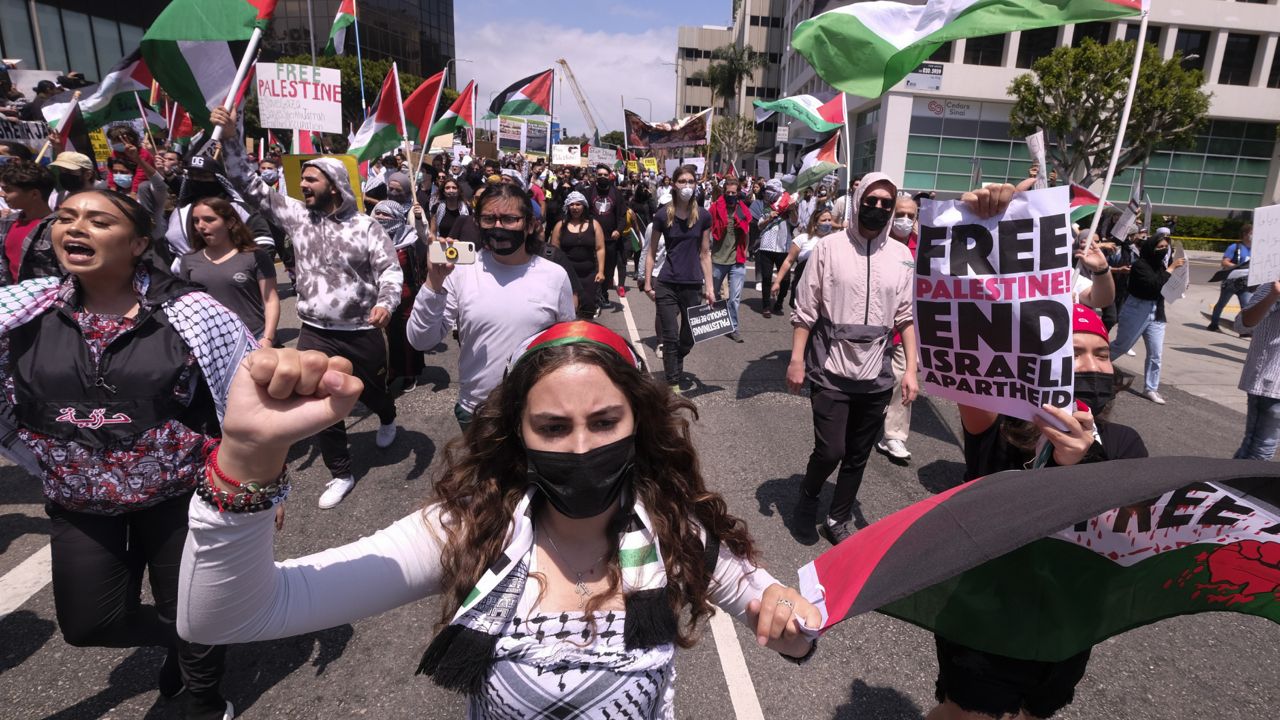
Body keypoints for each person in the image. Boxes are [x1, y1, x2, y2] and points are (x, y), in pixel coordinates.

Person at [178, 321, 820, 717]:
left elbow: (774, 608)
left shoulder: (676, 531)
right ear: (516, 436)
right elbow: (224, 616)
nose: (580, 448)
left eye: (604, 423)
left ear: (639, 426)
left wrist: (792, 626)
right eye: (551, 427)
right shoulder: (468, 529)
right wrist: (248, 456)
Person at [0, 189, 249, 720]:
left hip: (179, 494)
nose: (75, 228)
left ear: (138, 243)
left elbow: (243, 396)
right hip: (78, 501)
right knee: (90, 625)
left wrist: (256, 484)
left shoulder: (190, 312)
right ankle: (188, 640)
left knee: (187, 606)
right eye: (66, 217)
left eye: (97, 220)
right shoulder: (24, 310)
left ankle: (202, 697)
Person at [932, 304, 1147, 720]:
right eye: (1074, 353)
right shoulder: (1003, 425)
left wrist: (1087, 461)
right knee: (966, 713)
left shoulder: (1124, 443)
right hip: (987, 619)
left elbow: (1132, 533)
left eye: (1101, 354)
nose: (1090, 365)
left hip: (1067, 628)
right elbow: (967, 367)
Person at [211, 105, 403, 509]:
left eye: (311, 179)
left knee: (372, 392)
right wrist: (231, 136)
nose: (303, 186)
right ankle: (341, 472)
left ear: (334, 184)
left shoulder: (366, 227)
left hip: (362, 332)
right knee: (321, 401)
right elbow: (248, 182)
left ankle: (387, 416)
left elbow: (390, 272)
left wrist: (386, 303)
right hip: (315, 331)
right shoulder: (298, 218)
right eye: (302, 180)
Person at [787, 172, 927, 545]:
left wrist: (911, 370)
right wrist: (796, 359)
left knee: (858, 453)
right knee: (831, 449)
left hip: (876, 372)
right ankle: (808, 497)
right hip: (830, 368)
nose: (879, 209)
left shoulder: (901, 256)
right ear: (859, 199)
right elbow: (805, 309)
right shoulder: (829, 248)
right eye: (872, 200)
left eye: (887, 204)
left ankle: (837, 517)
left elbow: (906, 318)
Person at [407, 182, 575, 429]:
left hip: (535, 409)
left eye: (509, 219)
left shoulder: (554, 276)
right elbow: (421, 340)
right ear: (477, 223)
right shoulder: (461, 271)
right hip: (476, 409)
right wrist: (434, 281)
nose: (498, 226)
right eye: (489, 219)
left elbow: (566, 347)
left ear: (529, 225)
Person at [643, 165, 714, 391]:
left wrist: (710, 288)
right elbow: (651, 252)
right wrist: (647, 282)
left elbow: (705, 253)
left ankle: (677, 360)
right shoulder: (663, 215)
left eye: (691, 181)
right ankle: (672, 383)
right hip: (667, 284)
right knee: (670, 337)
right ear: (674, 184)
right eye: (682, 181)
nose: (687, 186)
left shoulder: (703, 216)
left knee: (689, 336)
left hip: (693, 285)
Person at [177, 196, 280, 346]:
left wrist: (267, 338)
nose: (201, 226)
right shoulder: (189, 260)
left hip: (253, 336)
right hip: (211, 342)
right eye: (196, 221)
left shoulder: (255, 256)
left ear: (230, 223)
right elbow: (186, 305)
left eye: (209, 219)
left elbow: (270, 300)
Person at [1109, 228, 1185, 405]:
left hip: (1156, 311)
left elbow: (1163, 286)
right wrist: (1171, 269)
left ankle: (1151, 388)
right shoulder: (1140, 266)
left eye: (1166, 247)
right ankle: (1092, 367)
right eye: (1160, 247)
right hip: (1137, 309)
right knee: (1121, 346)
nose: (1164, 250)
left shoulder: (1160, 266)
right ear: (1151, 247)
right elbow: (1152, 285)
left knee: (1155, 353)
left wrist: (1179, 284)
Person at [876, 193, 921, 463]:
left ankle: (893, 435)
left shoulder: (924, 247)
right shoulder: (875, 242)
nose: (904, 220)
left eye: (910, 215)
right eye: (900, 214)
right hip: (874, 327)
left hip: (907, 328)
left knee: (905, 378)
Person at [373, 199, 427, 391]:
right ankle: (391, 371)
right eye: (377, 213)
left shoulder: (409, 241)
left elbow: (419, 269)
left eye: (385, 214)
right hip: (379, 298)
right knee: (385, 338)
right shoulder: (370, 241)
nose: (379, 217)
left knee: (405, 336)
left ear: (396, 218)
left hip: (406, 298)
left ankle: (410, 373)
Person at [1233, 279, 1280, 460]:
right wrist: (1273, 296)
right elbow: (1242, 324)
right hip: (1271, 383)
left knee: (1263, 448)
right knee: (1260, 449)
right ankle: (1233, 487)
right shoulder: (1271, 286)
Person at [0, 159, 60, 284]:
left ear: (34, 194)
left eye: (8, 190)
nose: (3, 194)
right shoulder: (7, 222)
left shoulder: (58, 227)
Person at [709, 177, 752, 342]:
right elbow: (708, 229)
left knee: (734, 297)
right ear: (724, 192)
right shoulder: (715, 208)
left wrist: (746, 250)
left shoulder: (742, 210)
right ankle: (708, 322)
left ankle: (733, 327)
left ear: (738, 193)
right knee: (712, 294)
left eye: (734, 192)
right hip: (718, 259)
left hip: (737, 261)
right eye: (728, 192)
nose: (731, 195)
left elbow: (747, 232)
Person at [550, 190, 605, 319]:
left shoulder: (594, 224)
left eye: (578, 204)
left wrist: (601, 271)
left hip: (589, 274)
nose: (575, 208)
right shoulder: (560, 226)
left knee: (587, 309)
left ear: (584, 206)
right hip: (567, 275)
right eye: (572, 205)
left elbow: (600, 248)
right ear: (568, 207)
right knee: (568, 310)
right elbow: (554, 251)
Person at [770, 208, 831, 311]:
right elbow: (788, 261)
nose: (827, 223)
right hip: (803, 287)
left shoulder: (834, 241)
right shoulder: (803, 239)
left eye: (829, 220)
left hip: (826, 289)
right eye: (824, 220)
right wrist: (777, 282)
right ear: (815, 223)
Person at [584, 164, 628, 306]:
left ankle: (603, 293)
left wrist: (618, 230)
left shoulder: (617, 193)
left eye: (605, 175)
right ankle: (593, 295)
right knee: (592, 267)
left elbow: (622, 215)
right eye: (600, 175)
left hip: (611, 240)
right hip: (592, 238)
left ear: (610, 176)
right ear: (595, 176)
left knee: (608, 269)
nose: (602, 177)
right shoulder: (589, 192)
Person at [755, 179, 798, 318]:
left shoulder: (787, 202)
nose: (769, 193)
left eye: (773, 190)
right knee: (767, 277)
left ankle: (779, 301)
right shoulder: (766, 205)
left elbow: (795, 222)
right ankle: (766, 306)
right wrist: (769, 218)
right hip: (766, 246)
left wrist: (792, 209)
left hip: (783, 247)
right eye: (768, 190)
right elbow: (759, 225)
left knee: (785, 279)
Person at [1207, 223, 1252, 332]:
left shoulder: (1256, 249)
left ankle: (1244, 330)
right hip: (1231, 282)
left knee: (1246, 306)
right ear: (1245, 234)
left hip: (1245, 284)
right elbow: (1224, 262)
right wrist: (1238, 267)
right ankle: (1213, 324)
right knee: (1222, 303)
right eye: (1252, 233)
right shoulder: (1234, 247)